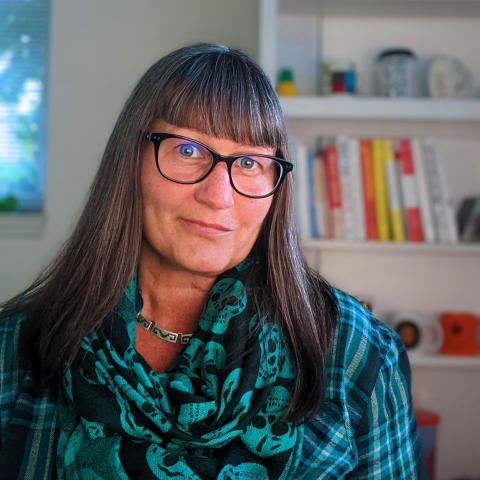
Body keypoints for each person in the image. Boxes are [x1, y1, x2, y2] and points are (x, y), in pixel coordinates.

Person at [0, 43, 421, 479]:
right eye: (187, 150)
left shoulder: (360, 355)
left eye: (250, 162)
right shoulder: (15, 347)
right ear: (131, 161)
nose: (219, 196)